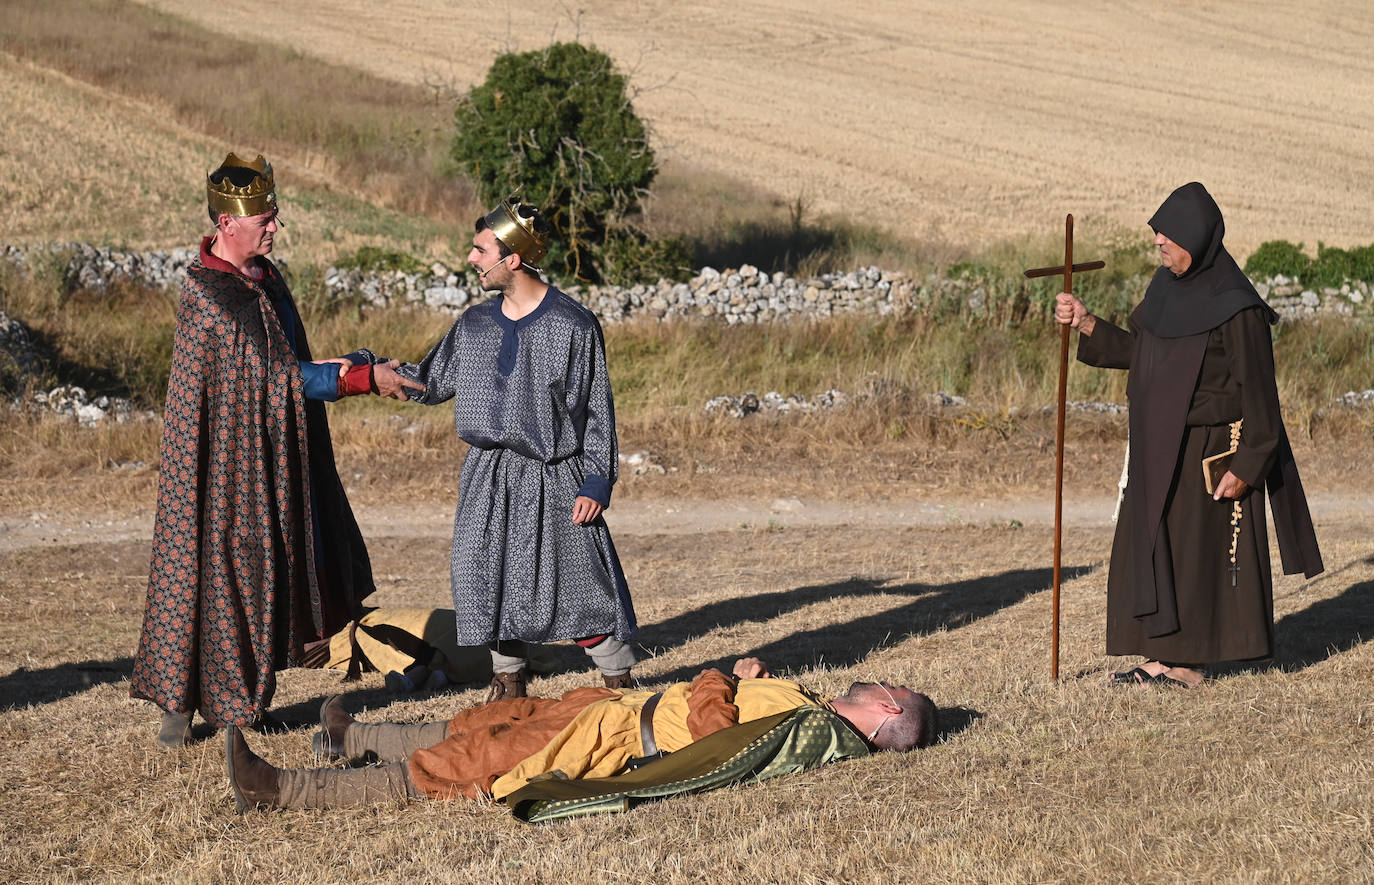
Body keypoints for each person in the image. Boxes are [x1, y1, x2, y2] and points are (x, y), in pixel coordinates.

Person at [130, 153, 424, 748]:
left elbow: (289, 367)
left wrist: (356, 365)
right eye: (264, 217)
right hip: (221, 468)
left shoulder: (266, 280)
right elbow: (273, 378)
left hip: (270, 454)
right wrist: (360, 381)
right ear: (225, 223)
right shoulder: (210, 295)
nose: (272, 226)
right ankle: (192, 711)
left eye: (274, 215)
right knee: (218, 574)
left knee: (265, 572)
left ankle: (238, 702)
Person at [1055, 181, 1323, 687]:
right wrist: (1089, 325)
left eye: (1166, 236)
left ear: (1196, 237)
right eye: (1155, 234)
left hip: (1211, 448)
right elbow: (1146, 355)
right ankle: (1160, 656)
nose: (1157, 243)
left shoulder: (1236, 304)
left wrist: (1246, 466)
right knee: (1157, 550)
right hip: (1158, 445)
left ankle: (1189, 665)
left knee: (1195, 554)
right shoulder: (1164, 288)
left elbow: (1262, 397)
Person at [394, 197, 637, 701]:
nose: (471, 258)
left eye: (481, 249)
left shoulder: (573, 325)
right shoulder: (474, 325)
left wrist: (597, 480)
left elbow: (596, 410)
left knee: (580, 584)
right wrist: (361, 372)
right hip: (486, 474)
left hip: (554, 473)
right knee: (485, 577)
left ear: (513, 259)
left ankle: (619, 686)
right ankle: (508, 685)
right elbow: (429, 379)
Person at [224, 657, 937, 811]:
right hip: (622, 707)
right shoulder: (813, 707)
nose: (881, 679)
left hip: (621, 737)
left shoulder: (809, 728)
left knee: (474, 759)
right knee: (496, 719)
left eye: (890, 687)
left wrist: (720, 677)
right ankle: (354, 737)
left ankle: (285, 789)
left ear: (885, 713)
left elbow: (714, 738)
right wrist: (751, 674)